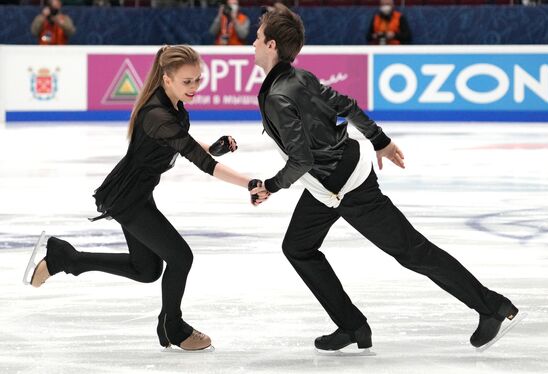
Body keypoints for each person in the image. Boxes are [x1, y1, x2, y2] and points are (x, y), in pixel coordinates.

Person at [252, 4, 520, 353]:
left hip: (344, 186)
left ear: (272, 46)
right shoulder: (299, 78)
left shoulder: (278, 94)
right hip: (328, 183)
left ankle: (491, 306)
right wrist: (380, 140)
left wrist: (270, 186)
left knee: (411, 250)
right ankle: (352, 327)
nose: (253, 45)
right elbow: (345, 105)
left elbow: (300, 159)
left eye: (258, 39)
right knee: (298, 247)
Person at [24, 45, 268, 352]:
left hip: (136, 194)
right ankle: (173, 327)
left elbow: (186, 144)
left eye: (197, 80)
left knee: (147, 269)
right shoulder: (157, 114)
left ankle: (65, 258)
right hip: (129, 199)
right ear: (167, 79)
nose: (194, 87)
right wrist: (250, 182)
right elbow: (199, 160)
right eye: (187, 81)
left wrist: (215, 146)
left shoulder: (171, 106)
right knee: (181, 257)